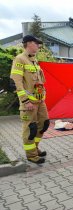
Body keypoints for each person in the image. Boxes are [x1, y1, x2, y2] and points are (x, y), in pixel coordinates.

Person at [10, 35, 49, 164]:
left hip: (39, 101)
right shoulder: (20, 59)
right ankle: (31, 155)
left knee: (44, 124)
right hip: (29, 103)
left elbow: (39, 81)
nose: (38, 46)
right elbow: (17, 82)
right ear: (29, 43)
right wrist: (25, 101)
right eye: (37, 43)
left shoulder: (34, 60)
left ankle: (35, 148)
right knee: (30, 128)